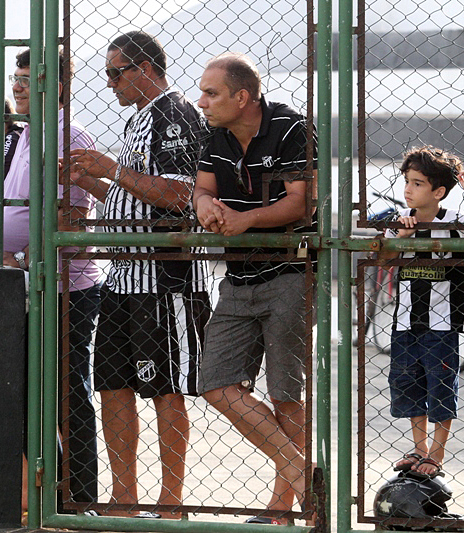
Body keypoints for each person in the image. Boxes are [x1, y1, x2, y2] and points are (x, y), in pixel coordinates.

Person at [69, 31, 210, 517]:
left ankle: (172, 504)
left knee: (165, 388)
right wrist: (90, 179)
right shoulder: (138, 120)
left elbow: (177, 195)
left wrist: (111, 168)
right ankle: (124, 498)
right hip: (122, 275)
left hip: (163, 276)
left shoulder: (173, 114)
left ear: (145, 68)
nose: (109, 83)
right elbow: (133, 199)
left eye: (116, 72)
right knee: (111, 383)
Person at [0, 47, 103, 509]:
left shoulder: (68, 137)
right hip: (31, 283)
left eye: (29, 78)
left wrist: (23, 253)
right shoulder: (27, 134)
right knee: (31, 390)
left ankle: (81, 497)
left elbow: (74, 220)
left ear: (57, 84)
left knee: (69, 393)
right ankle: (52, 492)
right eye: (16, 77)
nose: (19, 87)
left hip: (66, 287)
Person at [192, 52, 316, 523]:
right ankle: (302, 473)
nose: (201, 101)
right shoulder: (216, 136)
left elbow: (301, 204)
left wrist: (244, 220)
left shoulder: (291, 128)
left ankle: (282, 506)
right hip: (238, 277)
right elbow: (201, 189)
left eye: (211, 93)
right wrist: (206, 205)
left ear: (242, 97)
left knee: (287, 394)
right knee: (216, 385)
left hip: (291, 272)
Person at [378, 146, 464, 479]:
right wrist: (399, 236)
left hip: (442, 324)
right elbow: (381, 257)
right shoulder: (400, 222)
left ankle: (437, 452)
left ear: (439, 191)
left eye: (417, 183)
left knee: (440, 386)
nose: (408, 189)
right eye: (407, 181)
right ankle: (418, 446)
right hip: (404, 323)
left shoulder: (457, 224)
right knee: (408, 383)